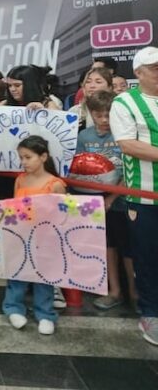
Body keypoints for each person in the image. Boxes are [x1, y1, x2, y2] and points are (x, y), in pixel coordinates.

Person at [109, 46, 158, 346]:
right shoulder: (125, 102)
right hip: (144, 197)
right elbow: (127, 144)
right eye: (154, 68)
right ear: (138, 73)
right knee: (148, 257)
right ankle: (150, 313)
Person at [76, 91, 136, 311]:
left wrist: (112, 197)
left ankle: (135, 293)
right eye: (98, 115)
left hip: (122, 201)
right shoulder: (85, 137)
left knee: (128, 248)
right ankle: (115, 291)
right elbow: (78, 168)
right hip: (95, 201)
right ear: (91, 114)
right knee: (107, 246)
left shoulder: (126, 137)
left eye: (108, 115)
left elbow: (131, 172)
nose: (103, 120)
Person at [3, 135, 65, 335]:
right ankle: (13, 307)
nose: (24, 162)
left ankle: (45, 313)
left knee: (44, 277)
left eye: (28, 157)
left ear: (43, 157)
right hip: (21, 236)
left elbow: (61, 216)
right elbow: (14, 208)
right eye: (21, 157)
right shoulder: (20, 180)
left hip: (46, 239)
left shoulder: (55, 184)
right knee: (17, 274)